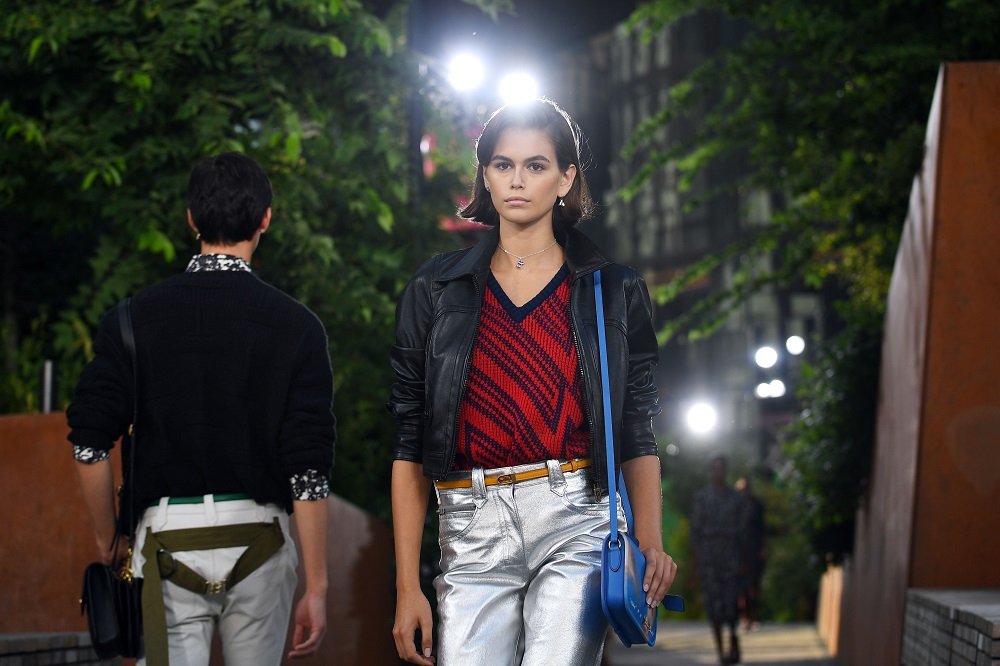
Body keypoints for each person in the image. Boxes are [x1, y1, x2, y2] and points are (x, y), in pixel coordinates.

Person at [388, 98, 677, 666]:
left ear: (567, 177)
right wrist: (406, 587)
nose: (517, 180)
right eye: (502, 164)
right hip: (469, 523)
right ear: (486, 177)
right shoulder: (435, 290)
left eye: (537, 165)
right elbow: (409, 442)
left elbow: (636, 428)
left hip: (578, 514)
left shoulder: (610, 291)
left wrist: (650, 539)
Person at [68, 152, 336, 665]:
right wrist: (317, 585)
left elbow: (88, 444)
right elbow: (308, 471)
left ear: (191, 219)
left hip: (165, 541)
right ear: (265, 219)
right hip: (260, 538)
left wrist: (109, 538)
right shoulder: (297, 327)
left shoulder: (130, 320)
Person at [691, 454, 746, 664]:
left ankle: (733, 637)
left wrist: (744, 561)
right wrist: (695, 569)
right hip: (709, 555)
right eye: (715, 468)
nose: (719, 472)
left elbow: (744, 532)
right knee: (713, 603)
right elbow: (695, 533)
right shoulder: (702, 497)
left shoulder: (736, 498)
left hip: (730, 553)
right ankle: (721, 651)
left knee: (731, 601)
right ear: (711, 471)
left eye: (722, 468)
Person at [735, 476, 765, 631]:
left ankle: (755, 617)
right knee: (741, 587)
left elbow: (761, 528)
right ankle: (744, 617)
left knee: (754, 585)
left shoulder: (757, 504)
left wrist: (761, 548)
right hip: (738, 550)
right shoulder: (734, 506)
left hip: (753, 548)